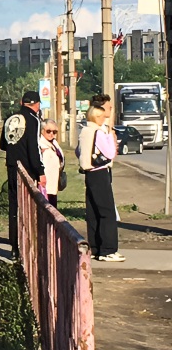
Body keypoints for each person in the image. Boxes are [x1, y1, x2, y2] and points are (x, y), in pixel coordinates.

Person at [79, 93, 124, 261]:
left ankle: (96, 247)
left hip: (89, 172)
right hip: (99, 171)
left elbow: (79, 152)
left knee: (93, 212)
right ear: (98, 115)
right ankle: (108, 250)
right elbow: (111, 153)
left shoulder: (84, 130)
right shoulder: (99, 132)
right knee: (107, 211)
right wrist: (111, 138)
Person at [0, 90, 44, 255]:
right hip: (27, 170)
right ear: (37, 105)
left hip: (11, 167)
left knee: (14, 207)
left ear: (21, 102)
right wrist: (40, 171)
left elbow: (3, 145)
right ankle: (26, 246)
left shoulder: (11, 118)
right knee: (27, 208)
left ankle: (14, 246)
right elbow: (34, 148)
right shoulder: (33, 120)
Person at [38, 119, 66, 208]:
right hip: (45, 184)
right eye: (48, 131)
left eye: (54, 132)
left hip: (53, 181)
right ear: (42, 131)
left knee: (53, 206)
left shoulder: (54, 143)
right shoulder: (41, 144)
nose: (51, 134)